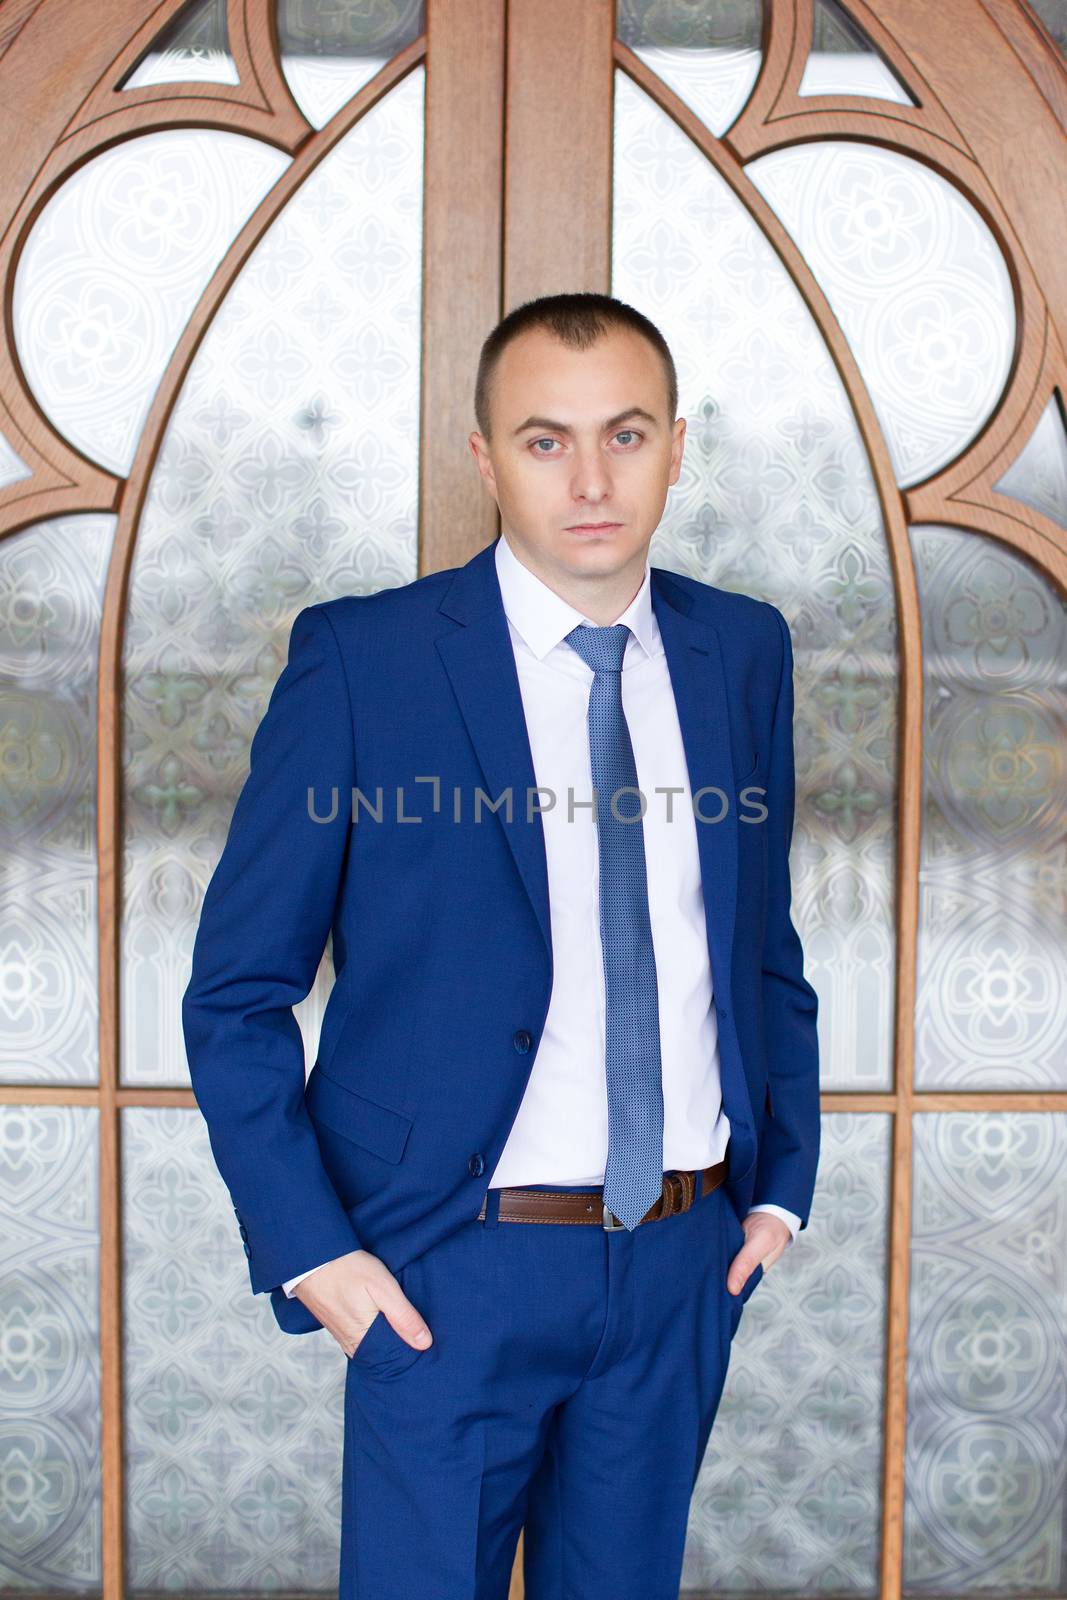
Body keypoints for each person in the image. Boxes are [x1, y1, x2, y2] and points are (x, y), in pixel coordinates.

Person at [182, 291, 820, 1598]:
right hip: (447, 1270)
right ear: (483, 455)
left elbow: (760, 943)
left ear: (677, 447)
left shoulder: (740, 650)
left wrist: (778, 1191)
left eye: (625, 436)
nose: (591, 479)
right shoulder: (367, 662)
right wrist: (319, 1255)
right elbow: (237, 994)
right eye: (545, 441)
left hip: (679, 1265)